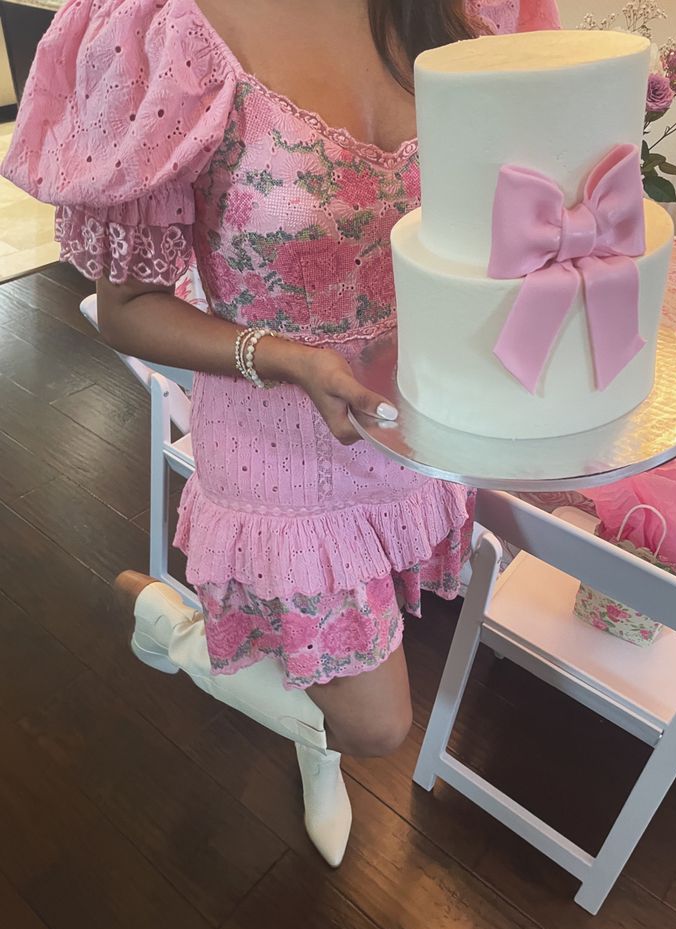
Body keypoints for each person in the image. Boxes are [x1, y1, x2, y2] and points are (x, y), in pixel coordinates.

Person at [2, 0, 560, 867]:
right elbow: (127, 310)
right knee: (378, 725)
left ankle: (312, 719)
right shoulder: (165, 31)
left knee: (359, 640)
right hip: (277, 440)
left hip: (417, 421)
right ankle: (176, 628)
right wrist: (293, 360)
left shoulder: (458, 7)